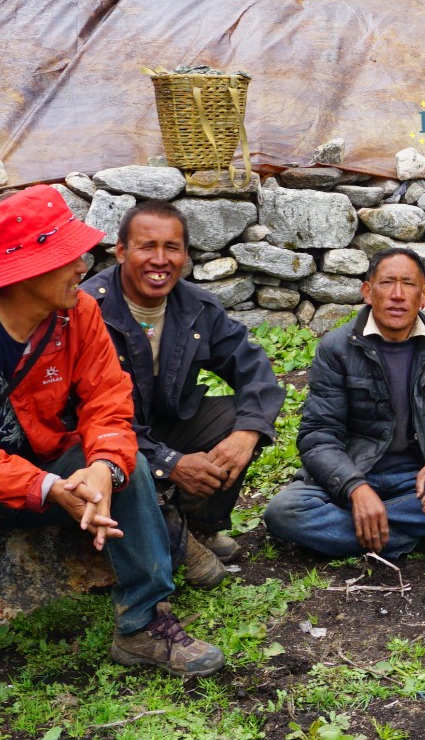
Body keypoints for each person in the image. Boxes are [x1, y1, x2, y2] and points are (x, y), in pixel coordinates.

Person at [0, 184, 222, 740]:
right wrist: (48, 488)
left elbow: (108, 403)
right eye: (68, 257)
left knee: (132, 470)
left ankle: (143, 623)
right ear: (26, 271)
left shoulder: (79, 313)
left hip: (46, 460)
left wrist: (99, 467)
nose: (82, 266)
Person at [83, 201, 285, 589]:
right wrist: (170, 463)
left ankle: (199, 526)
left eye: (172, 248)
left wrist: (247, 433)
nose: (160, 260)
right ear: (121, 251)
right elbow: (84, 416)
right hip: (107, 436)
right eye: (147, 246)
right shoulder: (89, 310)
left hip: (165, 423)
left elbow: (253, 369)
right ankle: (171, 536)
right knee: (123, 458)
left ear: (186, 256)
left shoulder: (195, 306)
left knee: (235, 420)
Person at [263, 248, 425, 559]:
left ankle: (363, 529)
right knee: (283, 512)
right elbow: (318, 435)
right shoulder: (336, 348)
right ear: (368, 292)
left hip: (415, 475)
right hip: (353, 469)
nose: (397, 295)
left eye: (409, 284)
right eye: (386, 283)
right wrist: (355, 489)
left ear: (424, 294)